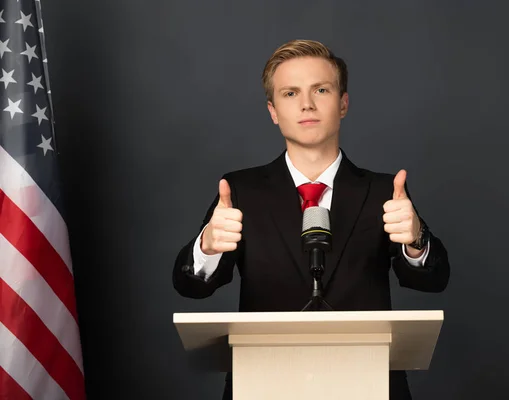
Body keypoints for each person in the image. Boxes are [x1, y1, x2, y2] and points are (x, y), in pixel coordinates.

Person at [172, 39, 450, 400]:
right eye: (290, 93)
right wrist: (206, 247)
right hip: (265, 385)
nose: (307, 104)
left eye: (321, 89)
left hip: (368, 385)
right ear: (273, 111)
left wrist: (416, 240)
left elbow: (434, 279)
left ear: (343, 103)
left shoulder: (385, 191)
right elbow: (192, 287)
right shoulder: (240, 191)